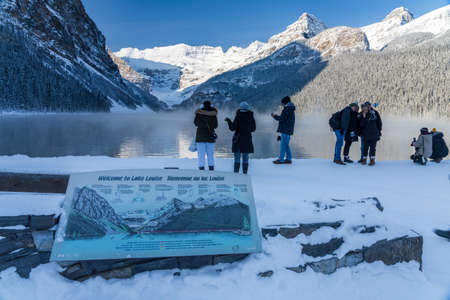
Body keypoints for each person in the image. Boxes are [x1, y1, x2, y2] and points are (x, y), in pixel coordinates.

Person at [225, 101, 256, 174]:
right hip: (247, 139)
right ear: (248, 108)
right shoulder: (251, 116)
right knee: (245, 157)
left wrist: (229, 121)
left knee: (237, 157)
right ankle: (245, 174)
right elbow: (253, 129)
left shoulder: (238, 115)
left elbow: (232, 128)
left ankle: (236, 174)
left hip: (238, 140)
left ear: (240, 108)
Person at [194, 101, 218, 170]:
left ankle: (201, 170)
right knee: (210, 155)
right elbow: (216, 125)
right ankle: (211, 169)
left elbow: (195, 123)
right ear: (210, 105)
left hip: (200, 137)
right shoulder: (213, 114)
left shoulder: (199, 113)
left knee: (201, 155)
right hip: (210, 137)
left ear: (203, 105)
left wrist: (202, 125)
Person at [271, 96, 296, 164]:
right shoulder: (291, 109)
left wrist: (274, 116)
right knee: (286, 144)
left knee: (283, 145)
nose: (282, 105)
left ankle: (281, 159)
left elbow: (282, 119)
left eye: (282, 103)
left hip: (285, 129)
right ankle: (289, 158)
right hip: (288, 129)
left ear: (285, 103)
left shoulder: (287, 109)